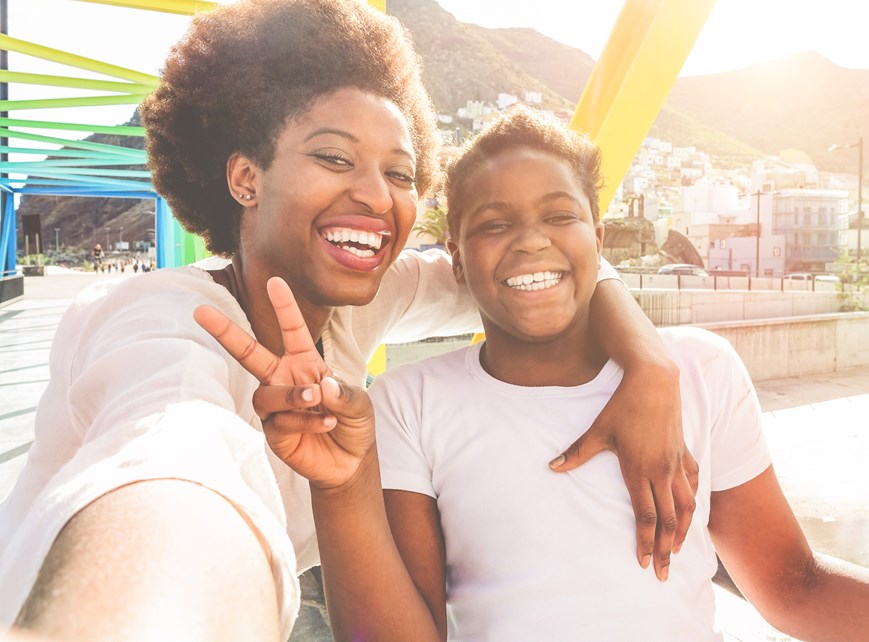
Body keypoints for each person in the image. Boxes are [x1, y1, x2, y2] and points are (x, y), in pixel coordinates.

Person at [0, 1, 697, 640]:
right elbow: (168, 464)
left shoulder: (357, 300)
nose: (374, 195)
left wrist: (651, 364)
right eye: (334, 158)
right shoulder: (158, 323)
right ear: (245, 179)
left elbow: (525, 272)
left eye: (399, 174)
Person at [202, 106, 869, 640]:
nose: (531, 242)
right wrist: (341, 489)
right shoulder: (413, 405)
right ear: (454, 255)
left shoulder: (700, 371)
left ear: (602, 236)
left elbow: (794, 588)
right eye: (493, 224)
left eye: (560, 216)